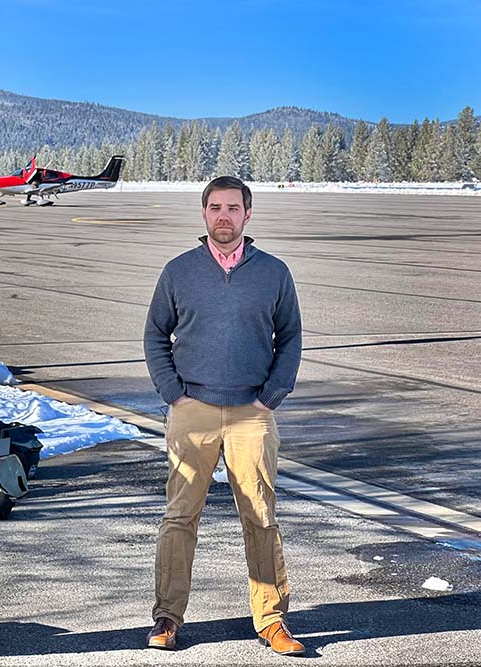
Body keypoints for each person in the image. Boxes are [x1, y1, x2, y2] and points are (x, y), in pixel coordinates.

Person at [142, 176, 304, 656]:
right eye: (215, 207)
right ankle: (167, 617)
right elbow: (155, 336)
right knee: (179, 517)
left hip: (252, 413)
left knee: (260, 517)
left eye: (233, 208)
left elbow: (290, 337)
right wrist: (174, 394)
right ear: (203, 213)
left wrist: (271, 396)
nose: (223, 216)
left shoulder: (274, 273)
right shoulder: (179, 271)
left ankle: (272, 620)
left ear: (248, 215)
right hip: (192, 410)